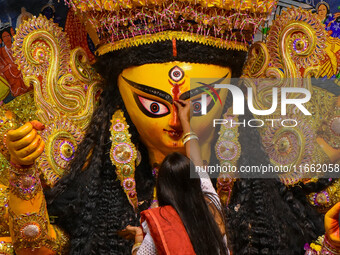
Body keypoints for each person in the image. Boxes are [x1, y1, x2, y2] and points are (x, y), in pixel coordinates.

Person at [2, 1, 340, 254]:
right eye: (153, 105)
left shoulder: (244, 195)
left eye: (200, 104)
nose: (176, 123)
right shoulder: (112, 202)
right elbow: (38, 246)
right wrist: (24, 171)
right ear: (117, 99)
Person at [121, 99, 228, 255]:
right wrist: (185, 119)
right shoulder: (211, 203)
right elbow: (196, 159)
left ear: (163, 187)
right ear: (194, 181)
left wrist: (138, 238)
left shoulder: (160, 224)